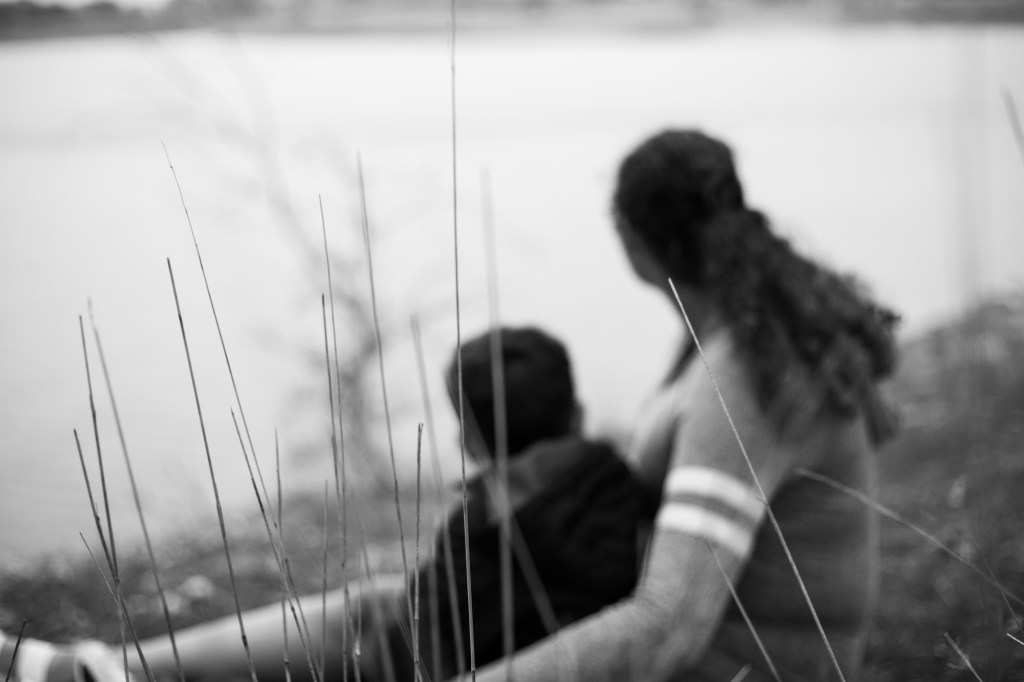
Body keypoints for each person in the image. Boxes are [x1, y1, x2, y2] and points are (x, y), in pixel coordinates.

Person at [458, 129, 899, 682]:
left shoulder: (747, 377)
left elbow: (667, 629)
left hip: (746, 668)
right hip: (732, 653)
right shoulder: (740, 336)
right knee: (411, 606)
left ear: (631, 239)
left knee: (416, 629)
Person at [1, 327, 650, 682]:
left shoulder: (481, 523)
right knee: (370, 603)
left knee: (360, 617)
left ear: (469, 440)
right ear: (576, 411)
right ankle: (109, 672)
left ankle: (108, 675)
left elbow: (428, 646)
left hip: (450, 662)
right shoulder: (623, 492)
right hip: (495, 641)